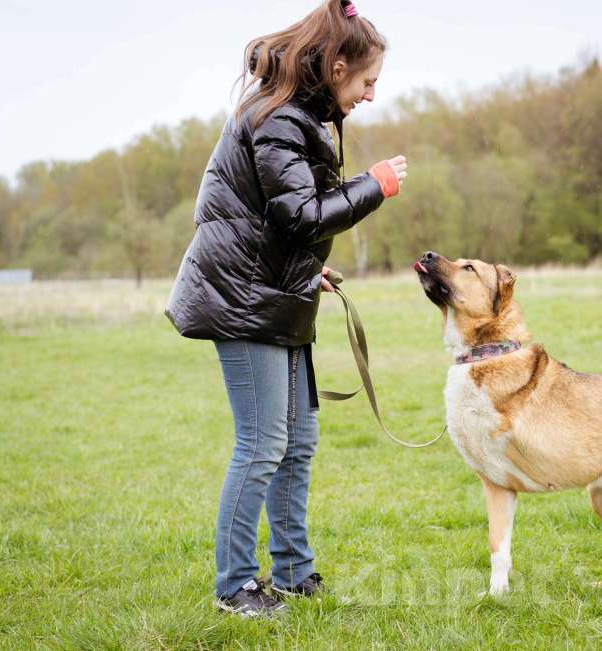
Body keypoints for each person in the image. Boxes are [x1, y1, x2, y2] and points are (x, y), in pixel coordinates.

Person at [164, 0, 406, 618]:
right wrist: (373, 185)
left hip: (275, 293)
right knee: (262, 444)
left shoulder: (298, 116)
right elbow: (299, 215)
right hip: (244, 304)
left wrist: (305, 270)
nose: (371, 95)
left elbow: (270, 220)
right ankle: (235, 587)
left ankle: (294, 573)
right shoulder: (278, 117)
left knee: (297, 442)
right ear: (337, 67)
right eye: (368, 81)